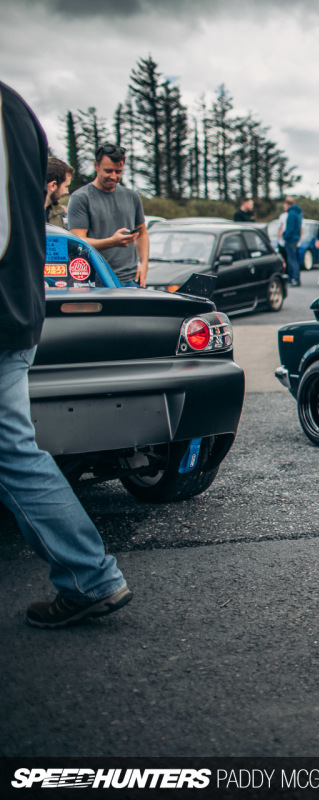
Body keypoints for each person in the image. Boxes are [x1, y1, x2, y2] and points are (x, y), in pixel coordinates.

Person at [1, 80, 131, 629]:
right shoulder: (17, 109)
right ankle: (88, 576)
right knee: (13, 449)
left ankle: (90, 576)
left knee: (12, 451)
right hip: (21, 305)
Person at [66, 142, 147, 287]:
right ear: (96, 166)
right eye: (108, 171)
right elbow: (77, 242)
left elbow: (142, 234)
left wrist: (144, 264)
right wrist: (112, 242)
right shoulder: (81, 198)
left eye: (118, 172)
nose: (114, 176)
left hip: (131, 280)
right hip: (97, 281)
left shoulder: (132, 196)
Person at [279, 196, 303, 286]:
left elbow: (290, 228)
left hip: (290, 239)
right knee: (294, 259)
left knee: (291, 259)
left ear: (288, 204)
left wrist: (285, 236)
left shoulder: (292, 214)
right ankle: (296, 278)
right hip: (295, 238)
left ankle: (294, 279)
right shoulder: (299, 213)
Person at [44, 157, 73, 229]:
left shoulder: (57, 213)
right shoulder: (27, 215)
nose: (67, 192)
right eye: (66, 186)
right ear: (53, 185)